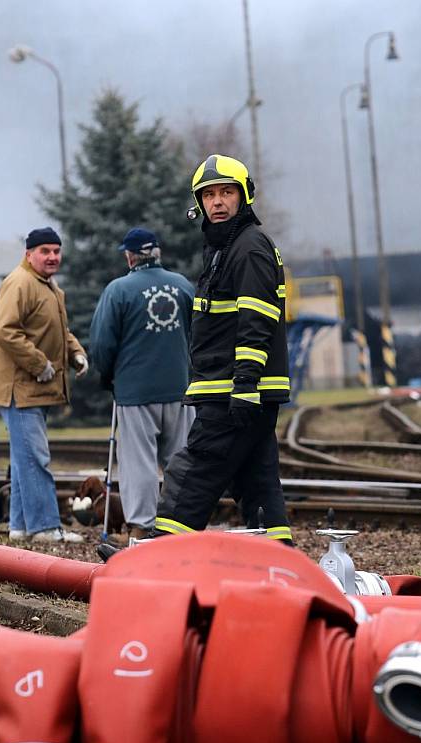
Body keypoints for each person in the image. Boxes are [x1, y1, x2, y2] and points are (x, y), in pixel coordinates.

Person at [153, 154, 293, 545]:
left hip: (235, 389)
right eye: (208, 195)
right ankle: (278, 557)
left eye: (226, 192)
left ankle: (159, 556)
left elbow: (256, 320)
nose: (216, 202)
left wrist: (245, 383)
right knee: (257, 478)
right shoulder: (226, 248)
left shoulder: (248, 248)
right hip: (239, 389)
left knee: (196, 469)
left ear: (244, 196)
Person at [89, 227, 195, 539]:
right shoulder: (183, 286)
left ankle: (142, 525)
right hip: (180, 388)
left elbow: (102, 343)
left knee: (139, 464)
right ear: (158, 253)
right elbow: (198, 333)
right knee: (182, 460)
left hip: (135, 392)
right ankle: (182, 521)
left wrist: (107, 376)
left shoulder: (118, 290)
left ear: (130, 255)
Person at [0, 226, 88, 543]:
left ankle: (20, 527)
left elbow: (60, 329)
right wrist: (39, 363)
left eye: (56, 251)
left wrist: (76, 354)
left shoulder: (47, 286)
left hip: (34, 390)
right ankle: (44, 527)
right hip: (20, 389)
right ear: (29, 254)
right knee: (35, 459)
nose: (52, 257)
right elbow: (4, 331)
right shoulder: (20, 283)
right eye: (45, 251)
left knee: (23, 460)